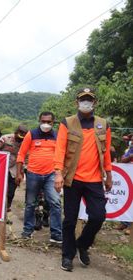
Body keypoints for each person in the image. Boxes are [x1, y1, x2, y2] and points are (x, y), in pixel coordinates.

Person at [54, 87, 112, 272]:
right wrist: (57, 173)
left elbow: (106, 153)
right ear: (76, 102)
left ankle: (83, 244)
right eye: (82, 99)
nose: (85, 102)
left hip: (95, 180)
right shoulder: (67, 123)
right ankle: (67, 255)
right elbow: (60, 149)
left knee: (98, 216)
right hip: (73, 179)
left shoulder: (103, 124)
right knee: (70, 220)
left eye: (89, 99)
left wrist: (109, 175)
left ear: (94, 103)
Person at [16, 112, 62, 243]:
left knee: (55, 203)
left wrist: (60, 173)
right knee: (30, 204)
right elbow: (21, 154)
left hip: (51, 175)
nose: (46, 124)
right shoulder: (32, 134)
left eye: (49, 122)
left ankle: (56, 234)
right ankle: (27, 231)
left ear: (53, 123)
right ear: (39, 120)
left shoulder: (58, 136)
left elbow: (61, 155)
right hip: (33, 174)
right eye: (43, 121)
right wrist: (19, 173)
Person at [0, 125, 28, 214]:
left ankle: (6, 209)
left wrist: (21, 172)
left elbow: (26, 158)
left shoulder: (26, 142)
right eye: (19, 136)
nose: (20, 139)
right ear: (16, 132)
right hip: (2, 166)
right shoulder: (5, 138)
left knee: (11, 191)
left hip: (15, 168)